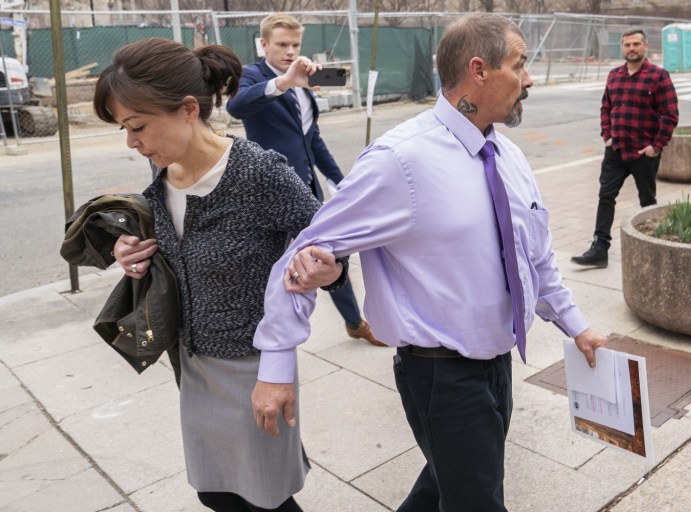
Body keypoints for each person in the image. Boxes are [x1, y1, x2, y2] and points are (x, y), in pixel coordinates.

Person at [250, 14, 607, 512]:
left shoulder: (507, 156)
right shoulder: (400, 160)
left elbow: (535, 256)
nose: (527, 80)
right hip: (440, 376)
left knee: (443, 488)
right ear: (479, 70)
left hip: (496, 365)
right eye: (519, 65)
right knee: (476, 501)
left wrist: (577, 326)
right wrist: (275, 365)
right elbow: (304, 255)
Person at [93, 37, 345, 512]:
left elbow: (331, 248)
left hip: (255, 366)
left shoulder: (259, 173)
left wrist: (327, 272)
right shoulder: (162, 177)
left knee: (266, 500)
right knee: (215, 492)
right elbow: (177, 252)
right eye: (125, 129)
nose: (131, 142)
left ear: (189, 109)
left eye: (138, 126)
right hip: (193, 364)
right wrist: (132, 251)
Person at [226, 13, 384, 347]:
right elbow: (237, 107)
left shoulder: (305, 83)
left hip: (306, 189)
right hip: (267, 193)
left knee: (328, 255)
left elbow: (312, 140)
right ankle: (255, 336)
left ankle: (355, 321)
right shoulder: (254, 76)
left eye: (295, 44)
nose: (290, 51)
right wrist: (284, 82)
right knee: (264, 266)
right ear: (264, 44)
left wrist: (341, 182)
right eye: (282, 44)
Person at [572, 28, 679, 268]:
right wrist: (607, 136)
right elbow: (606, 107)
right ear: (622, 47)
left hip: (643, 153)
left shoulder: (658, 76)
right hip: (616, 150)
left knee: (647, 201)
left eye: (636, 44)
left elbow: (670, 114)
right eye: (627, 45)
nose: (631, 48)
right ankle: (599, 249)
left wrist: (656, 146)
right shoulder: (614, 75)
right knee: (606, 196)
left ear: (645, 47)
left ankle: (653, 248)